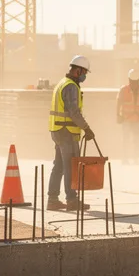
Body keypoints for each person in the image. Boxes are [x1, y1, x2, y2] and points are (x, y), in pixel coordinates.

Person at [48, 55, 95, 212]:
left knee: (59, 166)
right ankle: (72, 200)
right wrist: (86, 128)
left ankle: (52, 200)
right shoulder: (71, 86)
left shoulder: (62, 83)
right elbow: (74, 112)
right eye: (84, 72)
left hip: (57, 130)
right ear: (77, 70)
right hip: (67, 131)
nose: (85, 76)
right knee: (70, 167)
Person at [116, 69, 139, 160]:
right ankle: (125, 159)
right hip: (126, 119)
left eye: (135, 82)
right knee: (126, 140)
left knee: (138, 140)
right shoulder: (123, 90)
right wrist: (118, 115)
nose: (134, 84)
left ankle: (136, 159)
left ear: (138, 81)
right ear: (129, 80)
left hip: (138, 120)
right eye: (132, 82)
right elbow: (118, 103)